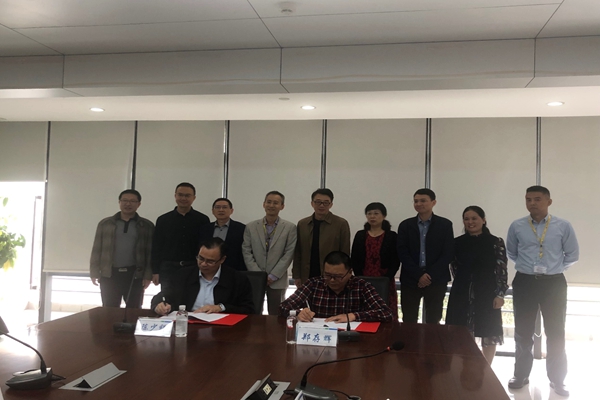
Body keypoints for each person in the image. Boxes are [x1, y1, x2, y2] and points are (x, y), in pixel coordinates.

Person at [506, 186, 579, 397]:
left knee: (556, 332)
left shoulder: (563, 226)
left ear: (549, 201)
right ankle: (520, 375)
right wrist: (530, 268)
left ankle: (557, 379)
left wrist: (554, 269)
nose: (532, 203)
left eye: (537, 199)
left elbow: (572, 254)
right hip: (525, 282)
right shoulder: (517, 225)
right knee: (522, 332)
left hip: (553, 283)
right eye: (528, 199)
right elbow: (512, 252)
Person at [445, 206, 508, 364]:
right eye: (466, 219)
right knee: (462, 329)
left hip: (487, 291)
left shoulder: (495, 242)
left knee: (489, 330)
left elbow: (501, 269)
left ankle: (487, 369)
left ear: (483, 220)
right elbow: (454, 267)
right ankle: (467, 366)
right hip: (461, 290)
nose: (470, 222)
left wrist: (500, 294)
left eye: (474, 218)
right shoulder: (457, 242)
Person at [281, 251, 393, 322]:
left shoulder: (362, 286)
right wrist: (299, 313)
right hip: (320, 336)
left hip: (352, 339)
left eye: (338, 276)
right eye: (327, 275)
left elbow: (386, 313)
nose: (332, 280)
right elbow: (284, 307)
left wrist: (353, 316)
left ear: (350, 273)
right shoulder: (314, 284)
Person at [151, 238, 254, 315]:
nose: (203, 264)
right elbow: (162, 296)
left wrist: (221, 307)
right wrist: (159, 306)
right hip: (188, 325)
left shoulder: (237, 279)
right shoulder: (183, 275)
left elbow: (248, 309)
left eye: (210, 261)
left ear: (222, 260)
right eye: (200, 258)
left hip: (223, 329)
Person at [397, 188, 454, 324]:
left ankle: (431, 340)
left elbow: (448, 253)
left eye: (423, 201)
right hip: (411, 279)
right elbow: (402, 252)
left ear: (433, 202)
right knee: (409, 319)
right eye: (416, 201)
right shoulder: (405, 225)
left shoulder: (445, 224)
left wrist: (429, 275)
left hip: (436, 279)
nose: (418, 204)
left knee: (433, 319)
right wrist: (419, 275)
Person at [90, 189, 154, 308]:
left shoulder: (146, 226)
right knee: (109, 310)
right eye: (124, 200)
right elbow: (97, 249)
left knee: (134, 310)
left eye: (132, 201)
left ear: (139, 204)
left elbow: (150, 252)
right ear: (119, 202)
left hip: (135, 275)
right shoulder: (105, 224)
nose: (128, 204)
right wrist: (94, 271)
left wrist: (147, 275)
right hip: (109, 275)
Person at [242, 191, 297, 315]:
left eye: (275, 203)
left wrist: (273, 276)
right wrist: (258, 275)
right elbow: (246, 251)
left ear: (282, 206)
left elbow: (289, 253)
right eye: (269, 202)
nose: (271, 205)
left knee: (276, 315)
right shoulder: (251, 226)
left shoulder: (290, 228)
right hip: (255, 278)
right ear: (264, 204)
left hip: (277, 280)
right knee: (254, 314)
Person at [151, 182, 210, 292]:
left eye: (187, 195)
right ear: (175, 196)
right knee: (168, 299)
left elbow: (205, 246)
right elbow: (156, 246)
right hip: (168, 269)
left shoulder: (202, 220)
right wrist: (155, 271)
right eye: (180, 195)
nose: (183, 198)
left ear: (194, 198)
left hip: (193, 267)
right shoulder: (163, 220)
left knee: (192, 298)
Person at [293, 188, 350, 287]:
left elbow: (345, 252)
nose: (322, 205)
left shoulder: (341, 224)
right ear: (312, 203)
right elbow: (298, 252)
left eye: (326, 203)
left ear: (331, 205)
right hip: (306, 274)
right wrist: (296, 275)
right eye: (318, 202)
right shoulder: (303, 224)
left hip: (331, 275)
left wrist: (343, 276)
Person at [351, 202, 400, 314]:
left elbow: (395, 260)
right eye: (369, 213)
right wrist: (359, 277)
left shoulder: (391, 236)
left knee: (385, 307)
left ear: (384, 216)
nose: (372, 216)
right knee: (364, 308)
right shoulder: (360, 235)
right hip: (363, 277)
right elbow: (354, 257)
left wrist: (387, 278)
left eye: (376, 213)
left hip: (385, 278)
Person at [199, 198, 246, 271]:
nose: (221, 210)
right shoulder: (205, 229)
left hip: (233, 269)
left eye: (224, 207)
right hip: (209, 268)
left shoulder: (241, 228)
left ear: (231, 210)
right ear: (212, 211)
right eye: (217, 207)